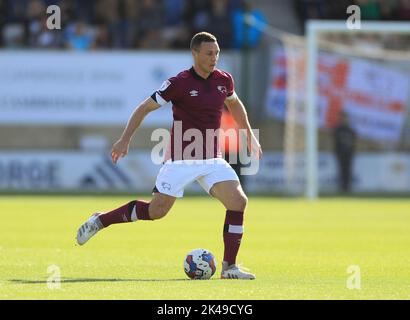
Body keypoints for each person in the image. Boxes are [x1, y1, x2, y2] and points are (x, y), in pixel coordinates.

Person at [76, 31, 262, 280]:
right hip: (181, 158)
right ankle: (101, 220)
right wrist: (125, 139)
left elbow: (235, 104)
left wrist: (248, 134)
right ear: (194, 53)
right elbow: (144, 107)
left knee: (238, 202)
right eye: (208, 53)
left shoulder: (224, 80)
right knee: (157, 211)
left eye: (216, 53)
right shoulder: (179, 83)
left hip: (212, 159)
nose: (214, 57)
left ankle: (230, 267)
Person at [333, 112, 356, 193]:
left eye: (345, 118)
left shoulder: (350, 129)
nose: (344, 120)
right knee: (341, 170)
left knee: (348, 170)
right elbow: (334, 141)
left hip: (349, 153)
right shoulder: (338, 129)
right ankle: (342, 188)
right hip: (340, 153)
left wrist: (353, 150)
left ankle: (348, 188)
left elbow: (354, 141)